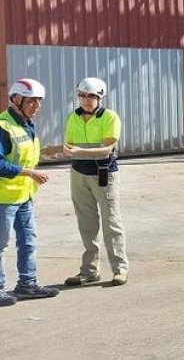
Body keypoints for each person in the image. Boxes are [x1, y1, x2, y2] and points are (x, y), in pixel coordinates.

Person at [62, 77, 129, 287]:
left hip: (103, 174)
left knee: (111, 222)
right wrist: (60, 150)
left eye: (91, 96)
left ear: (100, 97)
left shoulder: (110, 117)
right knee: (86, 223)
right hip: (79, 174)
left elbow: (108, 148)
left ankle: (120, 269)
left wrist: (80, 151)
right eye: (82, 95)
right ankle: (89, 271)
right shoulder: (73, 117)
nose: (86, 100)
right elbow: (69, 144)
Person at [0, 79, 58, 305]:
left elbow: (23, 154)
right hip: (3, 198)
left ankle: (27, 285)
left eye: (39, 101)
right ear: (16, 100)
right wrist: (30, 173)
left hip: (24, 196)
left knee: (28, 241)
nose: (37, 106)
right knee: (1, 244)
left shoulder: (26, 124)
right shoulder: (3, 126)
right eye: (32, 101)